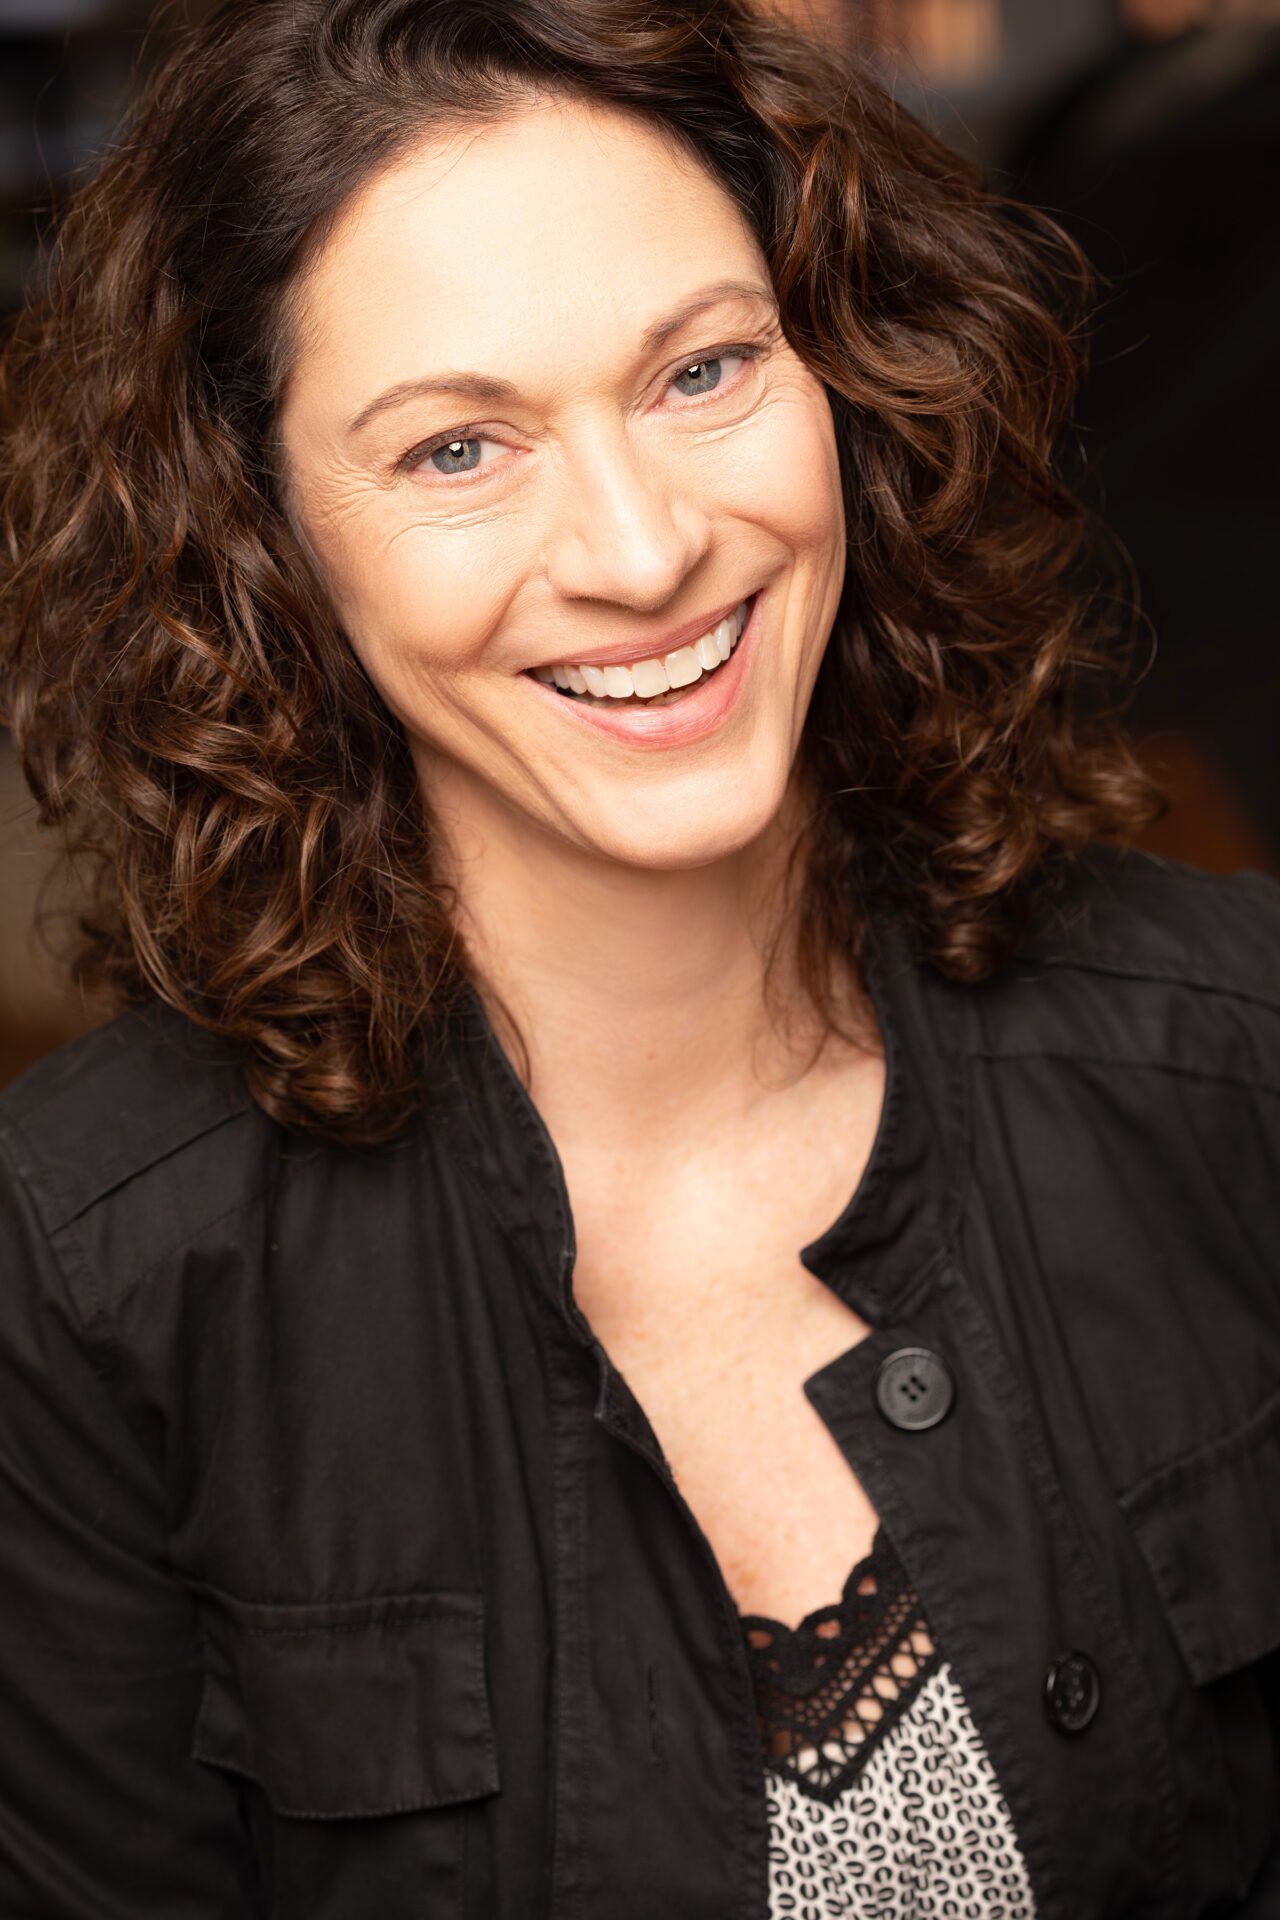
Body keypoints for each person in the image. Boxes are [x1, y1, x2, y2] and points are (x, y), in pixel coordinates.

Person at [0, 1, 1276, 1915]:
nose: (641, 546)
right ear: (264, 541)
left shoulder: (1236, 1053)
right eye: (456, 449)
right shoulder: (92, 1282)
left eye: (701, 373)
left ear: (848, 368)